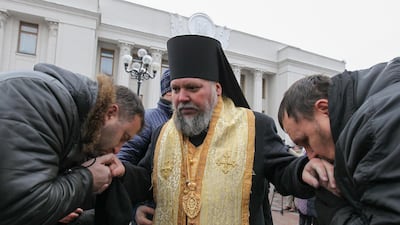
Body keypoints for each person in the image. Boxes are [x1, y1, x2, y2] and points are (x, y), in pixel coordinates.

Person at [122, 35, 316, 225]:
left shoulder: (254, 127)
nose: (181, 97)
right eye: (175, 89)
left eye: (192, 88)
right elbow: (145, 181)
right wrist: (132, 198)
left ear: (217, 89)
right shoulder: (162, 133)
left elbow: (284, 170)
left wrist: (302, 170)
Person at [0, 63, 144, 225]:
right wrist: (88, 178)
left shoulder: (79, 125)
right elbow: (22, 206)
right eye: (123, 137)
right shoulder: (47, 103)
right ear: (111, 113)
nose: (118, 149)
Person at [278, 57, 400, 225]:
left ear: (323, 108)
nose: (311, 156)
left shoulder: (378, 125)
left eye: (306, 140)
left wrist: (333, 208)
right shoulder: (383, 104)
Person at [118, 69, 173, 224]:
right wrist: (133, 210)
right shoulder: (149, 119)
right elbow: (123, 164)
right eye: (178, 88)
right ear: (169, 92)